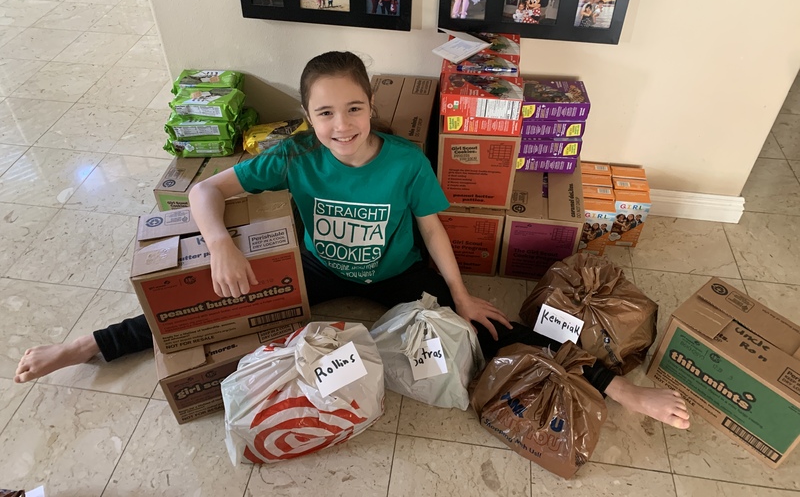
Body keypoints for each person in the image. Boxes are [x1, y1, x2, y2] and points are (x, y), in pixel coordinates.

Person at [13, 51, 690, 431]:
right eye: (326, 112)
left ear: (371, 105)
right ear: (308, 116)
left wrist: (457, 292)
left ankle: (618, 386)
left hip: (397, 273)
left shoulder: (404, 162)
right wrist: (219, 242)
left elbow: (432, 228)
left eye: (354, 108)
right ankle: (83, 346)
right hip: (318, 269)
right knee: (203, 305)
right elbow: (203, 192)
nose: (342, 125)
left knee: (494, 327)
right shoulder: (293, 157)